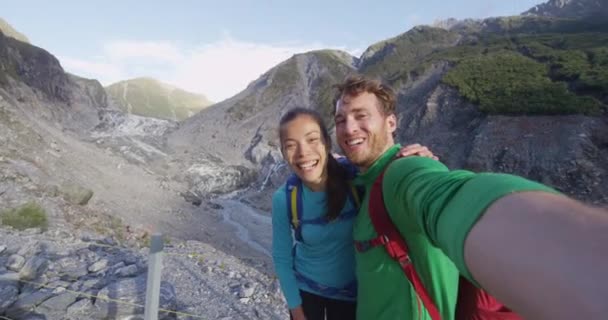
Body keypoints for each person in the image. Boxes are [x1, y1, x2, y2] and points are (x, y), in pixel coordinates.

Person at [333, 74, 608, 320]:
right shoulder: (364, 182)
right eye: (340, 120)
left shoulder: (405, 170)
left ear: (391, 122)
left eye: (361, 115)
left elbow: (447, 195)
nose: (349, 128)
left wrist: (575, 251)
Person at [272, 107, 437, 320]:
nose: (303, 153)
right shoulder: (285, 198)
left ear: (327, 143)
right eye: (291, 146)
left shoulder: (353, 177)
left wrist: (418, 160)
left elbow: (385, 167)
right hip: (307, 292)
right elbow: (282, 258)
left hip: (354, 294)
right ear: (284, 154)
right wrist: (297, 312)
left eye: (312, 140)